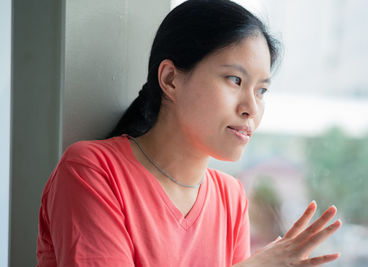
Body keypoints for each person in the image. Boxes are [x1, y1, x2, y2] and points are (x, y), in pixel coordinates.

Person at [36, 0, 342, 266]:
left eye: (261, 90)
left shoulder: (230, 197)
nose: (251, 107)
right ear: (170, 79)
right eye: (235, 80)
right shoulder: (92, 170)